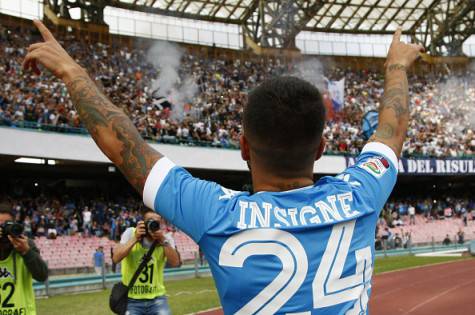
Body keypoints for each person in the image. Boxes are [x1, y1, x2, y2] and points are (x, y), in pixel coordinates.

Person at [24, 20, 422, 313]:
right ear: (321, 148)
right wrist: (397, 66)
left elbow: (121, 142)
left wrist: (72, 72)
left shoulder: (216, 212)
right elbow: (391, 129)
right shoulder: (360, 194)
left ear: (244, 147)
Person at [112, 209, 181, 315]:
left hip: (157, 298)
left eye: (156, 221)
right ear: (143, 223)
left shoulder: (165, 239)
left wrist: (162, 240)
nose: (152, 224)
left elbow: (176, 263)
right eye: (150, 221)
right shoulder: (130, 233)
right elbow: (116, 258)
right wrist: (135, 238)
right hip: (131, 299)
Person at [0, 206, 48, 315]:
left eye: (6, 225)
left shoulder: (25, 244)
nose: (2, 229)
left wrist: (26, 251)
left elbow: (42, 275)